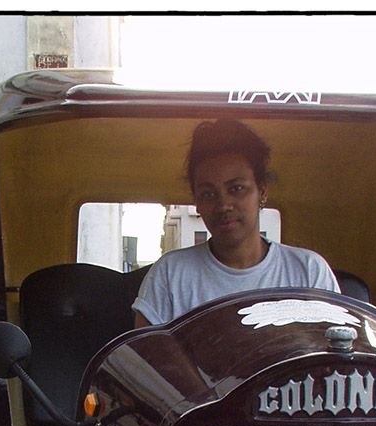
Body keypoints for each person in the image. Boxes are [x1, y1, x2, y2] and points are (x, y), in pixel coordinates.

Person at [132, 120, 339, 327]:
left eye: (237, 189)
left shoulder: (308, 271)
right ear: (197, 203)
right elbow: (144, 348)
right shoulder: (170, 274)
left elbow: (336, 344)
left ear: (262, 192)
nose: (223, 205)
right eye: (208, 194)